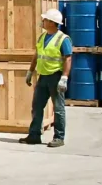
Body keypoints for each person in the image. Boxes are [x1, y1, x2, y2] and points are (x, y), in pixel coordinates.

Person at [20, 8, 71, 148]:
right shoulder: (42, 37)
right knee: (36, 106)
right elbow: (36, 55)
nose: (43, 21)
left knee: (58, 108)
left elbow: (68, 59)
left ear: (52, 23)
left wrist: (64, 78)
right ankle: (34, 135)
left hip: (55, 77)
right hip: (43, 77)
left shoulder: (63, 39)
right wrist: (30, 71)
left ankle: (59, 137)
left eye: (45, 19)